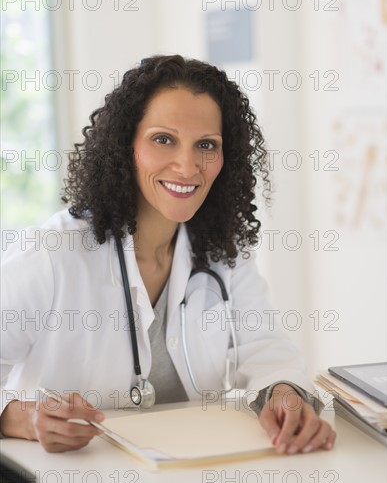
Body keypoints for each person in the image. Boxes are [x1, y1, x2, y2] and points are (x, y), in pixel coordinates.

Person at [1, 55, 336, 454]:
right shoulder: (51, 254)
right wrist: (21, 418)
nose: (187, 165)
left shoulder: (221, 251)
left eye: (206, 145)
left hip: (193, 481)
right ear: (126, 146)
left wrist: (284, 394)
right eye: (164, 139)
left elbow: (266, 348)